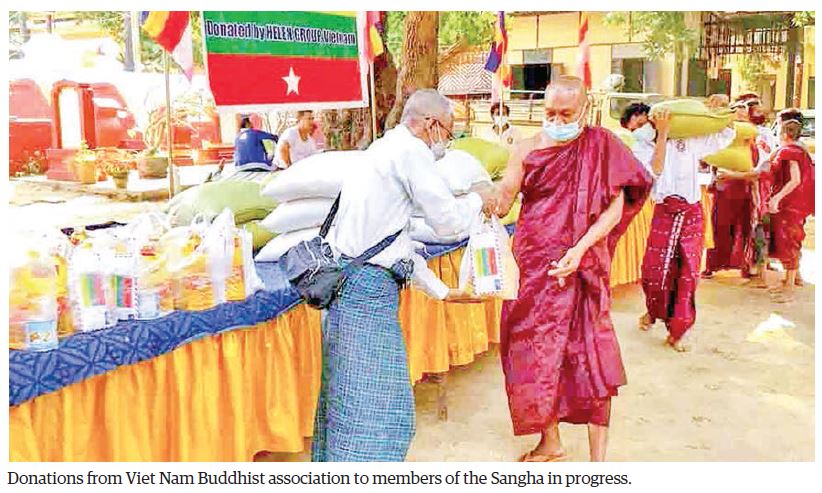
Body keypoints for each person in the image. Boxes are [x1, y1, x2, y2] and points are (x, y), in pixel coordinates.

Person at [314, 89, 497, 462]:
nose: (446, 143)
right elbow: (447, 222)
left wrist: (442, 291)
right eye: (448, 133)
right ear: (431, 124)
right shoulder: (411, 153)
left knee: (350, 400)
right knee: (377, 412)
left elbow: (396, 245)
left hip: (353, 292)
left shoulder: (382, 150)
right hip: (365, 298)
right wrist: (481, 197)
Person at [493, 76, 652, 462]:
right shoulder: (526, 149)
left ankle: (598, 462)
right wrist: (472, 195)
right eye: (550, 112)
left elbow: (615, 208)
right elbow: (503, 201)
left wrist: (580, 250)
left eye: (566, 113)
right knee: (532, 350)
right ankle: (551, 440)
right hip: (535, 268)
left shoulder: (601, 145)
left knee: (592, 354)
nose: (557, 120)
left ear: (585, 109)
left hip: (584, 268)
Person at [632, 106, 736, 352]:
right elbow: (655, 170)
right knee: (655, 272)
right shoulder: (642, 145)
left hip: (691, 212)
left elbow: (725, 135)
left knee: (687, 273)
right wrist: (662, 134)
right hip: (664, 212)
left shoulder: (689, 140)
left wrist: (722, 110)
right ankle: (653, 311)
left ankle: (678, 331)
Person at [703, 93, 762, 279]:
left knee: (744, 228)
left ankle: (744, 265)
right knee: (719, 227)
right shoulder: (723, 134)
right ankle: (712, 265)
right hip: (723, 187)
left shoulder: (751, 139)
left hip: (745, 187)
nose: (741, 115)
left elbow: (757, 168)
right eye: (737, 111)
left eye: (744, 112)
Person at [767, 109, 815, 303]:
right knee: (793, 239)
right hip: (799, 202)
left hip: (790, 203)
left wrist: (777, 198)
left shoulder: (790, 152)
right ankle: (792, 279)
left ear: (785, 133)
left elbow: (795, 180)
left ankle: (789, 287)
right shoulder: (798, 149)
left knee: (788, 241)